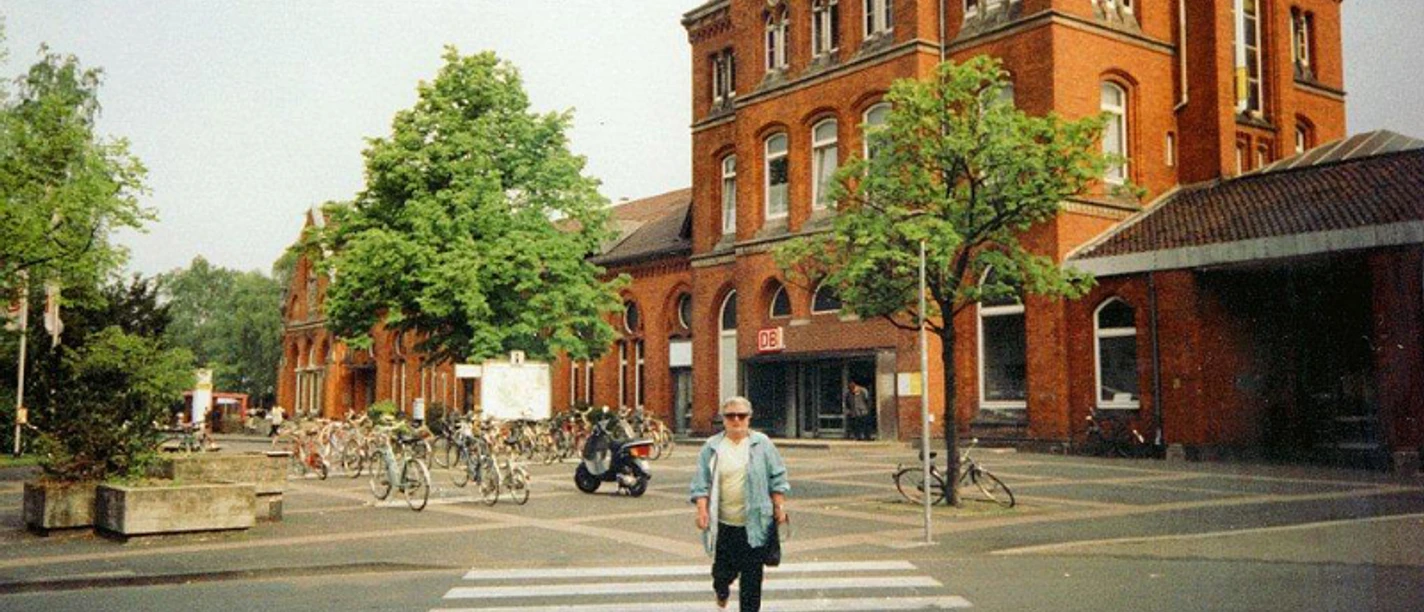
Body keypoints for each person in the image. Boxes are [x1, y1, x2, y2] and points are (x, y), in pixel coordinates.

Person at [690, 397, 790, 612]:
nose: (736, 420)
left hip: (755, 523)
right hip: (725, 524)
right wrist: (701, 510)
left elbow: (778, 477)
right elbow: (701, 483)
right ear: (723, 419)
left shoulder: (762, 444)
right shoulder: (712, 447)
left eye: (741, 416)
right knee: (722, 574)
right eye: (730, 416)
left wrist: (779, 506)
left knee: (752, 579)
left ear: (749, 418)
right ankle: (722, 590)